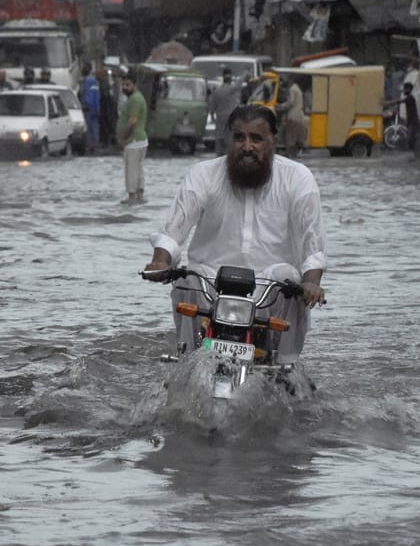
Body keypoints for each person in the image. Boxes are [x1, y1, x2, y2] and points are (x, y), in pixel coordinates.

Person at [142, 105, 327, 363]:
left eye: (257, 138)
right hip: (211, 283)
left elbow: (312, 247)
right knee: (186, 279)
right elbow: (174, 229)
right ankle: (187, 362)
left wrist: (311, 283)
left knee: (290, 279)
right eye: (240, 137)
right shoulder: (203, 174)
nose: (247, 146)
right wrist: (161, 262)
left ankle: (286, 367)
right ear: (230, 139)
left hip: (269, 288)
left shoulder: (299, 179)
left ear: (274, 139)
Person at [116, 74, 149, 205]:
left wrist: (123, 138)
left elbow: (133, 121)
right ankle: (140, 196)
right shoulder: (136, 98)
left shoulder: (135, 99)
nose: (125, 87)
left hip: (133, 141)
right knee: (139, 168)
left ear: (135, 85)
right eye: (123, 85)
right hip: (140, 140)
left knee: (131, 170)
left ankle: (131, 196)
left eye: (128, 85)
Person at [207, 67, 243, 156]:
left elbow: (212, 108)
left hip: (220, 120)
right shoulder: (232, 89)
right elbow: (239, 83)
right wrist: (246, 72)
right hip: (232, 120)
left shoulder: (217, 91)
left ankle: (219, 158)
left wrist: (212, 117)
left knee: (219, 142)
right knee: (230, 142)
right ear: (230, 78)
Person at [275, 77, 307, 157]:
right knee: (297, 136)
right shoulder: (298, 89)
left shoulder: (292, 89)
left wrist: (280, 106)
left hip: (292, 115)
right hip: (300, 115)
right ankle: (295, 153)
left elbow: (291, 102)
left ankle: (290, 155)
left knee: (290, 137)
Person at [80, 63, 101, 154]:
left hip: (88, 108)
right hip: (95, 108)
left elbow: (87, 95)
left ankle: (90, 146)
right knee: (94, 128)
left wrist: (85, 105)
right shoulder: (95, 81)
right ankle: (95, 146)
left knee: (88, 128)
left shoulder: (87, 81)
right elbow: (96, 95)